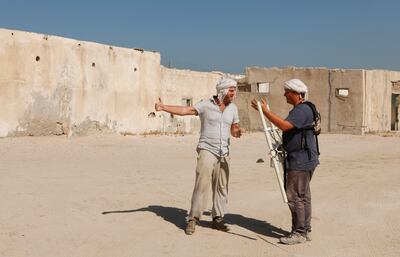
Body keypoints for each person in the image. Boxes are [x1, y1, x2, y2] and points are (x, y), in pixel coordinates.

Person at [155, 77, 242, 235]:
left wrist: (237, 132)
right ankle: (193, 219)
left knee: (221, 186)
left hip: (224, 152)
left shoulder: (233, 109)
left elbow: (234, 128)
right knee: (202, 183)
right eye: (231, 90)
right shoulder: (206, 105)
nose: (234, 93)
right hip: (207, 149)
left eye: (234, 90)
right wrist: (164, 107)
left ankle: (218, 218)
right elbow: (185, 110)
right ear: (222, 91)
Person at [251, 78, 319, 245]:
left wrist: (265, 112)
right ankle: (305, 228)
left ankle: (299, 232)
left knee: (295, 196)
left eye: (287, 92)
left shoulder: (301, 110)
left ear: (296, 93)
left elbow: (285, 125)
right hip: (306, 158)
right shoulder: (308, 107)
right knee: (303, 196)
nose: (285, 95)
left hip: (300, 160)